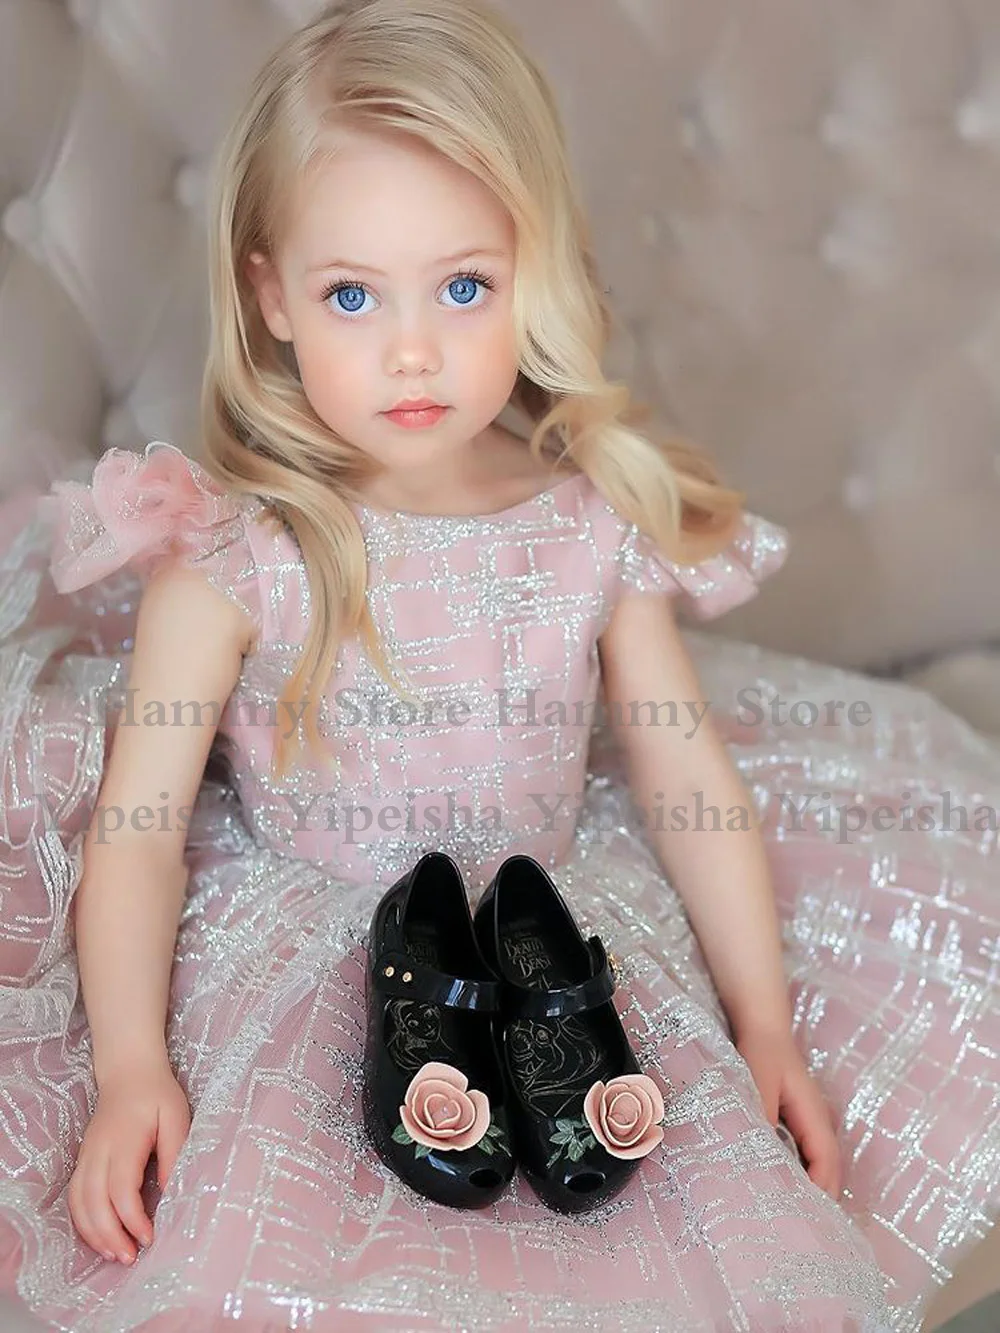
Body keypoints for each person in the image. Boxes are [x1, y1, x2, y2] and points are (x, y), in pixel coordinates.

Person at [0, 0, 995, 1327]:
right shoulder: (235, 551)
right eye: (352, 294)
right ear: (271, 296)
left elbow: (686, 778)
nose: (412, 349)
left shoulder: (588, 521)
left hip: (558, 913)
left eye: (463, 286)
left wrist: (763, 1022)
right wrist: (133, 1068)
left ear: (534, 277)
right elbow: (139, 832)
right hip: (311, 937)